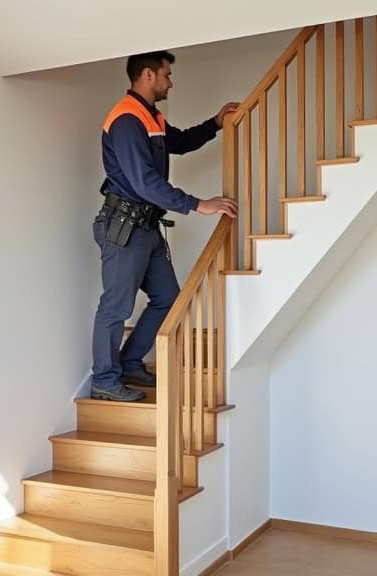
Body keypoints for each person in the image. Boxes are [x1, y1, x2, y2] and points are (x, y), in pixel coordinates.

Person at [90, 50, 239, 402]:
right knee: (116, 306)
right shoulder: (127, 119)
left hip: (145, 225)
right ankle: (104, 380)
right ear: (147, 75)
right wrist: (197, 204)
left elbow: (181, 142)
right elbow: (144, 182)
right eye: (167, 75)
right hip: (124, 225)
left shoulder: (150, 116)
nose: (170, 82)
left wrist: (216, 123)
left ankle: (128, 363)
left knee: (168, 298)